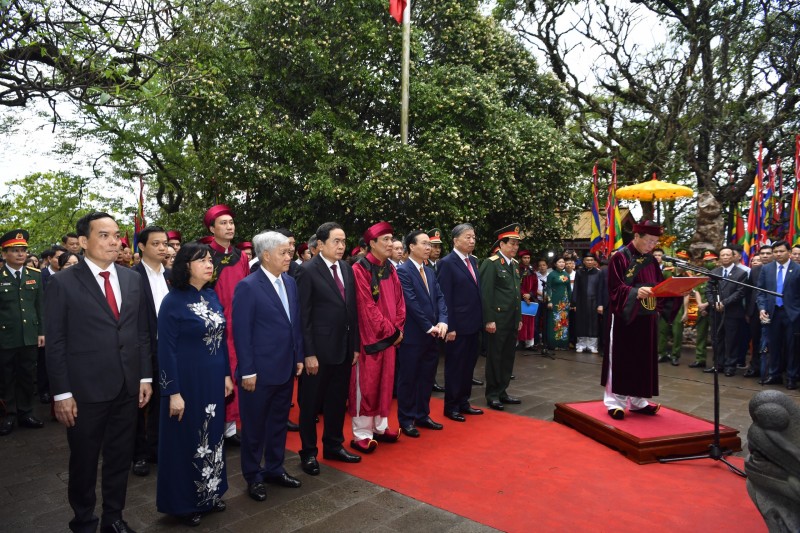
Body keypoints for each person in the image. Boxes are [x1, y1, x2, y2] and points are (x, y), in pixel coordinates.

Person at [45, 211, 153, 533]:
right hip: (85, 390)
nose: (114, 241)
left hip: (126, 385)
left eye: (116, 234)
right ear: (82, 241)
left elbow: (142, 331)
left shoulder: (133, 278)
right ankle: (84, 521)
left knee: (120, 457)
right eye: (103, 235)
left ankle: (114, 519)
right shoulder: (63, 283)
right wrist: (62, 394)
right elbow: (56, 342)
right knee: (84, 461)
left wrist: (144, 376)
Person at [156, 242, 233, 526]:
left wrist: (226, 375)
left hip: (213, 380)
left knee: (212, 437)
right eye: (202, 260)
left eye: (210, 259)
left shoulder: (212, 296)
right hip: (186, 383)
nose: (209, 264)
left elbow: (222, 340)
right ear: (186, 266)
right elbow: (166, 350)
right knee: (187, 441)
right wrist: (172, 391)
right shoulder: (172, 301)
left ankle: (210, 494)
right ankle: (185, 503)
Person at [232, 231, 305, 502]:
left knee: (277, 424)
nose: (290, 257)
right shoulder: (248, 286)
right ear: (266, 255)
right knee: (254, 428)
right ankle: (253, 476)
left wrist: (298, 356)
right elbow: (241, 333)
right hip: (259, 373)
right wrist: (247, 370)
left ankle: (275, 468)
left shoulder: (290, 282)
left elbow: (294, 323)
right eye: (284, 253)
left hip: (285, 367)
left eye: (290, 252)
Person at [295, 222, 362, 476]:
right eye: (336, 241)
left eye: (344, 241)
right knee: (311, 404)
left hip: (344, 349)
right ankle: (309, 453)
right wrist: (308, 353)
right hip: (318, 353)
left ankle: (334, 445)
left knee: (336, 402)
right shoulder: (307, 271)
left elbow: (351, 310)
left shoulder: (346, 268)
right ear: (320, 244)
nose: (341, 246)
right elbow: (304, 316)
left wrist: (354, 345)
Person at [600, 221, 682, 420]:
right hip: (625, 318)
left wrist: (677, 292)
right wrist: (636, 292)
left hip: (647, 318)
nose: (652, 246)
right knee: (621, 359)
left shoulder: (652, 261)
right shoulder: (619, 258)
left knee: (643, 360)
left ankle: (638, 401)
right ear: (636, 237)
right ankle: (615, 402)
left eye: (655, 242)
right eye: (649, 241)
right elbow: (614, 289)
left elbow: (660, 287)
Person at [348, 222, 406, 452]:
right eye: (386, 240)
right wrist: (392, 331)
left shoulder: (389, 268)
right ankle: (361, 432)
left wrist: (398, 327)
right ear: (372, 243)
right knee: (367, 385)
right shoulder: (359, 269)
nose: (391, 244)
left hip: (391, 337)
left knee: (385, 384)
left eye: (392, 239)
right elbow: (367, 308)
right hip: (370, 339)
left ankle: (381, 426)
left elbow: (401, 302)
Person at [202, 204, 251, 444]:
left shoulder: (241, 256)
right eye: (223, 223)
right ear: (212, 228)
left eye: (231, 222)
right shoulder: (204, 255)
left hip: (238, 323)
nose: (229, 227)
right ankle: (213, 427)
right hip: (215, 323)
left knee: (236, 372)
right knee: (217, 375)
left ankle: (230, 430)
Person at [396, 230, 448, 437]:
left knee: (427, 376)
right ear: (411, 246)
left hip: (433, 334)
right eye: (425, 244)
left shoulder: (430, 271)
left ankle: (422, 414)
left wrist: (443, 321)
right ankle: (406, 419)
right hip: (414, 335)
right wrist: (429, 326)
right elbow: (411, 303)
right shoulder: (403, 271)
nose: (429, 248)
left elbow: (441, 298)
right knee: (409, 378)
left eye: (430, 245)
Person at [131, 226, 172, 477]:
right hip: (142, 347)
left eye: (164, 243)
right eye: (155, 243)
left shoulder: (171, 276)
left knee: (162, 398)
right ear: (142, 246)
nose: (162, 248)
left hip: (168, 347)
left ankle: (157, 448)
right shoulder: (132, 277)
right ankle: (138, 454)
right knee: (140, 401)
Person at [436, 223, 484, 422]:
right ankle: (451, 406)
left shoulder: (472, 261)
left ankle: (464, 401)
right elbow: (445, 297)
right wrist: (450, 326)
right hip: (457, 327)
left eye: (473, 237)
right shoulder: (447, 263)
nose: (472, 240)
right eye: (467, 237)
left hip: (473, 324)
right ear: (455, 240)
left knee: (468, 366)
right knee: (455, 367)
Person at [0, 229, 45, 437]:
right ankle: (8, 414)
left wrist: (41, 331)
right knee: (6, 376)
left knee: (27, 375)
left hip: (29, 335)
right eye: (15, 250)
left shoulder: (34, 276)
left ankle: (25, 412)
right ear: (4, 254)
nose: (20, 254)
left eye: (23, 250)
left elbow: (40, 307)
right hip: (5, 337)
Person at [480, 224, 522, 411]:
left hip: (511, 319)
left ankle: (503, 390)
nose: (514, 247)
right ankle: (492, 394)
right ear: (501, 244)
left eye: (516, 244)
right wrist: (489, 319)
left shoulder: (514, 265)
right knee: (495, 357)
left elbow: (516, 294)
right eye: (511, 243)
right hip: (497, 319)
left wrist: (519, 317)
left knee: (508, 357)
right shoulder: (491, 263)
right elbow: (486, 293)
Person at [757, 240, 800, 390]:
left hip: (792, 315)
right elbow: (761, 291)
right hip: (772, 313)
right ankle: (774, 375)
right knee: (773, 345)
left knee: (792, 347)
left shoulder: (797, 269)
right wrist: (762, 308)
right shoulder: (767, 269)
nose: (778, 254)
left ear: (789, 252)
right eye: (775, 252)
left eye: (781, 251)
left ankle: (791, 377)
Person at [704, 246, 748, 376]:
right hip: (715, 311)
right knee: (716, 338)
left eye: (728, 255)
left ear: (734, 257)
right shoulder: (714, 271)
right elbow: (708, 290)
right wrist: (713, 303)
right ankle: (718, 365)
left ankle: (730, 366)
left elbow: (740, 292)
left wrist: (724, 303)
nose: (725, 257)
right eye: (722, 255)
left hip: (732, 312)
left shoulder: (741, 273)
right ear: (719, 257)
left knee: (731, 339)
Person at [571, 253, 604, 354]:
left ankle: (592, 345)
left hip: (594, 302)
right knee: (581, 323)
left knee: (593, 324)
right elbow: (576, 288)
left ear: (594, 262)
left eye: (591, 260)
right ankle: (581, 344)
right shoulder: (579, 272)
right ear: (583, 261)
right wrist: (574, 303)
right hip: (581, 302)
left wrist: (600, 304)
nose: (589, 262)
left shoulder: (599, 273)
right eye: (587, 260)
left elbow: (600, 289)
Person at [545, 257, 571, 350]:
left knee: (564, 322)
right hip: (555, 301)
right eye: (559, 262)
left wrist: (570, 301)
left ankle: (563, 343)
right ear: (555, 264)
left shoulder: (566, 274)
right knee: (555, 321)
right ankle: (553, 343)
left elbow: (569, 289)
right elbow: (548, 288)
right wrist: (550, 301)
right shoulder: (551, 275)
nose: (562, 264)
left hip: (564, 302)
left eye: (563, 262)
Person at [517, 250, 537, 351]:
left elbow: (535, 285)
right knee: (520, 321)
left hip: (531, 299)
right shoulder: (517, 269)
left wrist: (530, 295)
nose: (527, 260)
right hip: (519, 299)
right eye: (525, 258)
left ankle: (530, 344)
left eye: (528, 258)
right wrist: (524, 295)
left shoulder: (532, 270)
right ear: (521, 259)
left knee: (530, 322)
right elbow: (517, 284)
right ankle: (517, 343)